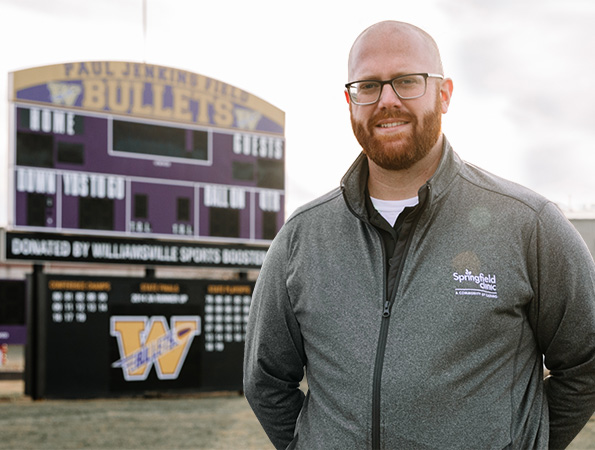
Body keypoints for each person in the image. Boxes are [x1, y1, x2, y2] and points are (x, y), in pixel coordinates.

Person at [243, 20, 595, 450]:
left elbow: (587, 362)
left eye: (407, 81)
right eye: (368, 86)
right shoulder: (302, 237)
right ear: (350, 101)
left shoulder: (530, 224)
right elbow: (265, 380)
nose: (386, 100)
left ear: (443, 94)